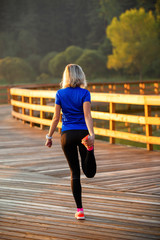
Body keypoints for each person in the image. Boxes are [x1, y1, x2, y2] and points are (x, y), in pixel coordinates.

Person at [45, 64, 96, 220]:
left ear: (65, 76)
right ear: (80, 76)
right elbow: (87, 116)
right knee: (89, 172)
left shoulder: (60, 93)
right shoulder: (85, 93)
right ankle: (89, 149)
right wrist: (92, 134)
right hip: (82, 134)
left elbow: (55, 118)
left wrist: (49, 136)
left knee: (75, 173)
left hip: (67, 135)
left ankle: (79, 210)